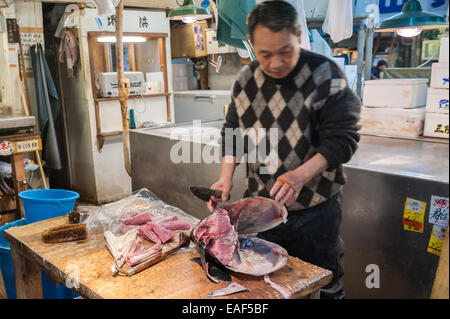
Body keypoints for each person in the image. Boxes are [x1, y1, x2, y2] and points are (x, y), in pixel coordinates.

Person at [207, 0, 361, 299]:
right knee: (267, 287)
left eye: (285, 51)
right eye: (265, 54)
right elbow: (233, 133)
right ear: (251, 43)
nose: (276, 63)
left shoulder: (326, 74)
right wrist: (226, 177)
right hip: (260, 214)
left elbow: (343, 138)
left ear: (299, 35)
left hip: (316, 214)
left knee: (326, 283)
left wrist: (300, 175)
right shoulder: (246, 81)